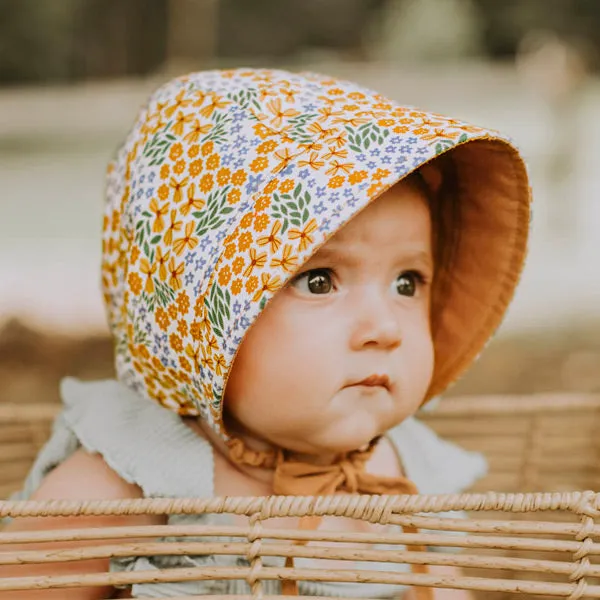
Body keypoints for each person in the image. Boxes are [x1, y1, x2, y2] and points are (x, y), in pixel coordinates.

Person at [1, 68, 530, 599]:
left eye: (407, 282)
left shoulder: (412, 470)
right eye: (319, 281)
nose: (385, 327)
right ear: (195, 315)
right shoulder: (127, 487)